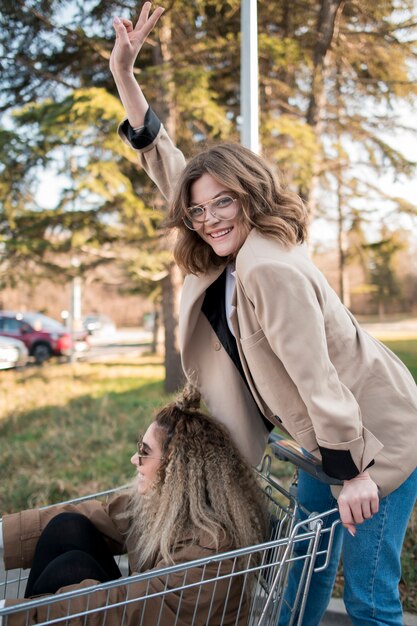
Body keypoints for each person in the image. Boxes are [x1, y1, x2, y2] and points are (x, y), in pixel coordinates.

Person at [109, 5, 417, 626]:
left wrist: (354, 476)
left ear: (250, 196)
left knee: (368, 599)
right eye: (199, 210)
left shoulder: (267, 268)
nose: (210, 218)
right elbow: (169, 165)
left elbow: (317, 379)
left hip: (372, 441)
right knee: (298, 584)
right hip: (321, 443)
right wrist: (124, 72)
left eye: (224, 202)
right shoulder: (222, 249)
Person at [0, 385, 269, 626]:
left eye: (144, 452)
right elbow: (103, 516)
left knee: (73, 567)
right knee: (68, 526)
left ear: (177, 470)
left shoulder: (211, 549)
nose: (134, 459)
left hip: (137, 613)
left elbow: (125, 607)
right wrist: (4, 534)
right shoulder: (166, 509)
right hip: (139, 611)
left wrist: (15, 614)